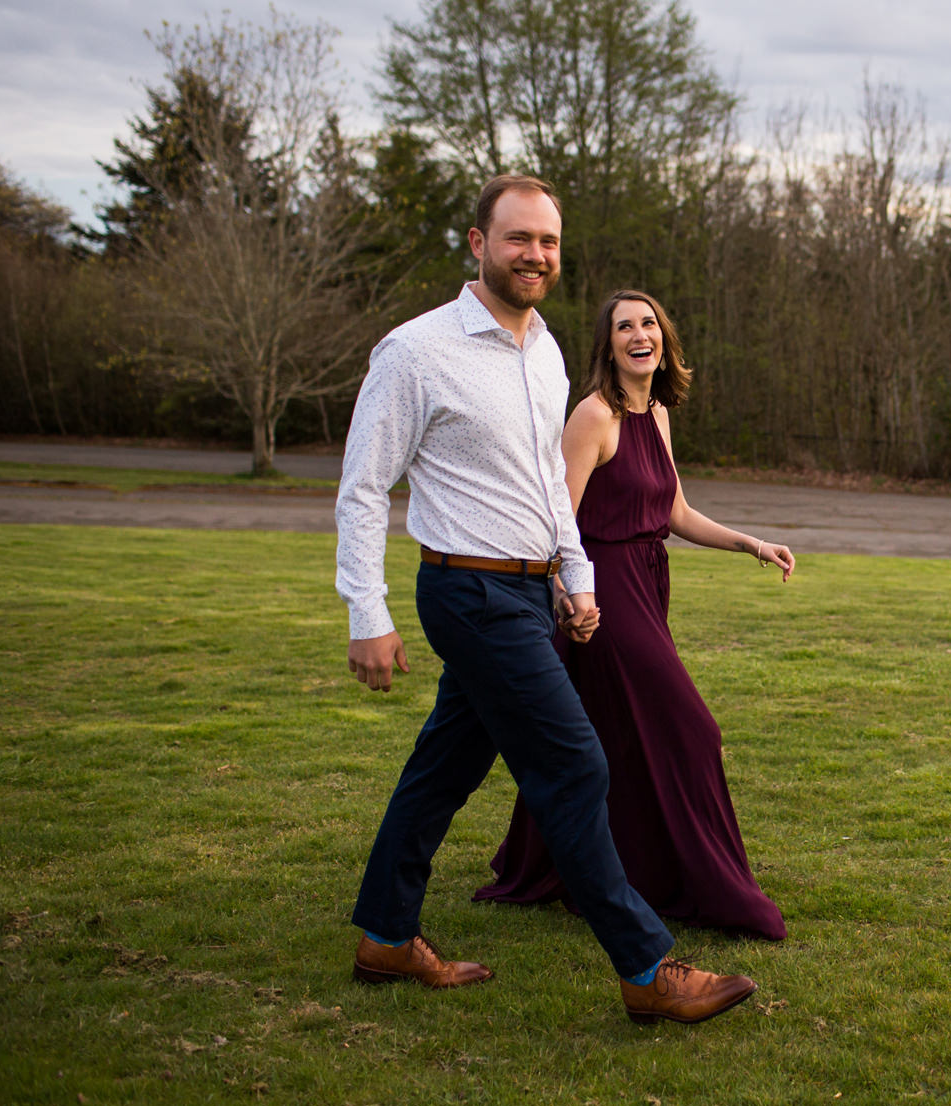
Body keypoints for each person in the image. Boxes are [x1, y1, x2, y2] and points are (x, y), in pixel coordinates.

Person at [335, 176, 756, 1026]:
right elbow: (363, 487)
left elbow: (545, 487)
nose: (536, 255)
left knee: (444, 768)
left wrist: (576, 579)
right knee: (575, 764)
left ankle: (384, 933)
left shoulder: (545, 351)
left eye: (549, 242)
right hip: (467, 588)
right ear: (477, 243)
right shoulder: (416, 351)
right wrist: (366, 613)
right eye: (519, 238)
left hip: (531, 591)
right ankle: (647, 970)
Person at [473, 289, 793, 941]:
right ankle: (715, 888)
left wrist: (751, 544)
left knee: (611, 738)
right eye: (625, 327)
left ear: (664, 341)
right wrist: (567, 594)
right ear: (609, 344)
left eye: (649, 324)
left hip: (648, 583)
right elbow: (555, 519)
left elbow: (675, 513)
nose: (639, 334)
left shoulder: (658, 414)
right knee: (692, 730)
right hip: (605, 592)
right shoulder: (594, 415)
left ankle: (604, 870)